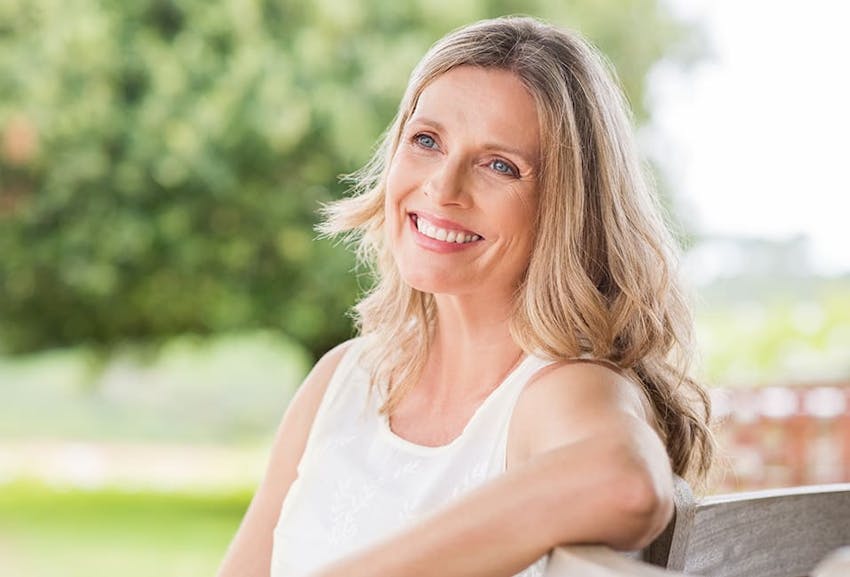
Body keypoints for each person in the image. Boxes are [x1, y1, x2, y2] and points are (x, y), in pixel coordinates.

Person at [216, 15, 714, 577]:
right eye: (426, 141)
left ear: (565, 206)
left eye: (499, 165)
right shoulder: (342, 379)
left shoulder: (563, 387)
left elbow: (627, 486)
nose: (442, 188)